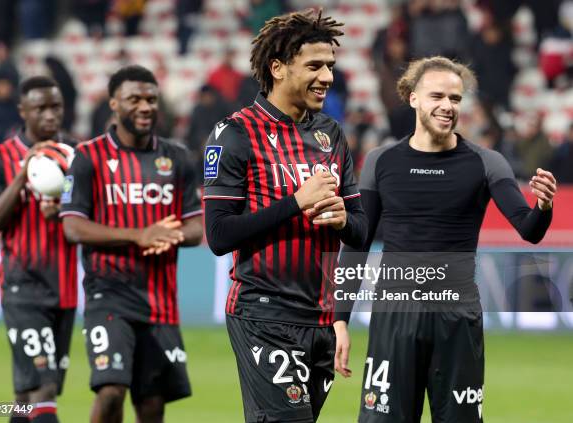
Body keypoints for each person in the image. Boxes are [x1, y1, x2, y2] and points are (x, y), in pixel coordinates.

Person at [333, 56, 557, 423]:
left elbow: (529, 229)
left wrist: (543, 205)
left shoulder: (487, 162)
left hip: (456, 317)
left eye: (455, 98)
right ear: (413, 98)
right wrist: (340, 319)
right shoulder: (381, 161)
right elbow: (357, 243)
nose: (447, 106)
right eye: (437, 95)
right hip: (394, 316)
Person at [203, 9, 367, 423]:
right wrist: (296, 202)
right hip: (264, 314)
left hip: (321, 320)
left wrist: (343, 218)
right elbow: (219, 235)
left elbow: (362, 230)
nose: (327, 77)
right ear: (277, 68)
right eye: (314, 66)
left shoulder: (331, 134)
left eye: (330, 66)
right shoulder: (234, 134)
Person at [60, 65, 203, 423]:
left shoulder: (179, 158)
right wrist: (139, 235)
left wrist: (169, 234)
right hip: (108, 294)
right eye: (134, 99)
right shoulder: (87, 157)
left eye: (151, 99)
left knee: (152, 405)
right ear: (113, 103)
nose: (145, 106)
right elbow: (73, 227)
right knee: (110, 392)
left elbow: (196, 228)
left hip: (160, 301)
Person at [0, 75, 78, 423]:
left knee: (25, 395)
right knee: (44, 388)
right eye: (40, 108)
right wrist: (23, 177)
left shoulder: (77, 155)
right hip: (23, 287)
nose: (50, 116)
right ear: (23, 111)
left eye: (56, 107)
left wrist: (61, 211)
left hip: (65, 290)